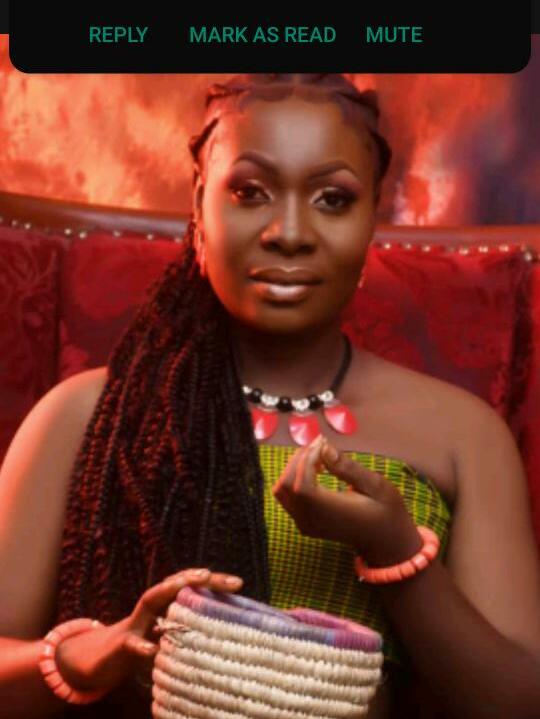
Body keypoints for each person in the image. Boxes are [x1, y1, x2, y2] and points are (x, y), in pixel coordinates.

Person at [0, 73, 539, 719]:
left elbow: (519, 702)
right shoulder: (85, 416)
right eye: (250, 192)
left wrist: (396, 554)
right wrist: (87, 654)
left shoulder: (462, 434)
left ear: (373, 215)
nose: (289, 231)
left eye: (333, 199)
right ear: (199, 202)